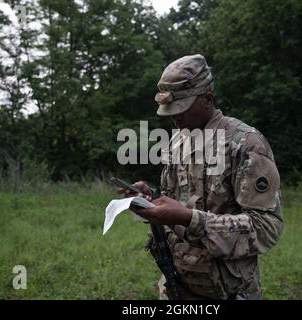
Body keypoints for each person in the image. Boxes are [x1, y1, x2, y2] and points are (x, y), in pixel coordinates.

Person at [119, 54, 284, 300]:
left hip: (229, 291)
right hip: (177, 285)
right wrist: (152, 197)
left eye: (182, 109)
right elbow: (180, 199)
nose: (175, 118)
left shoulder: (245, 144)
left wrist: (190, 219)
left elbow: (266, 228)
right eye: (169, 111)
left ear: (207, 99)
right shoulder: (178, 140)